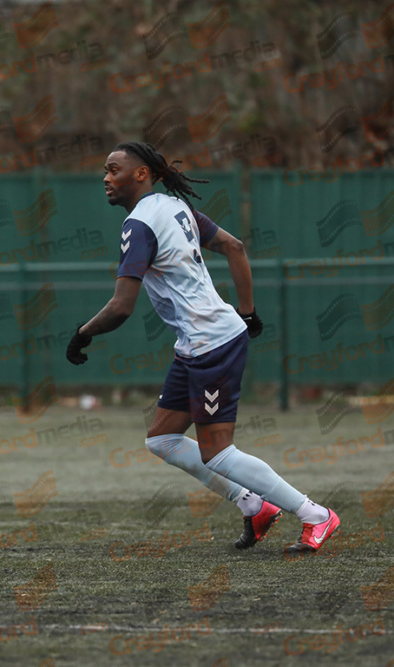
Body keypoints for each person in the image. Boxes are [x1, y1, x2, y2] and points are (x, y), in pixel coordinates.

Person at [66, 141, 339, 557]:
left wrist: (83, 333)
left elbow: (122, 307)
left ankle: (316, 515)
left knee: (218, 452)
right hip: (198, 343)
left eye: (113, 169)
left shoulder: (139, 225)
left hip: (211, 343)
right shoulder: (177, 208)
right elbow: (235, 247)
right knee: (162, 440)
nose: (106, 177)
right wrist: (246, 313)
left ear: (141, 174)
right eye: (105, 170)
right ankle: (254, 505)